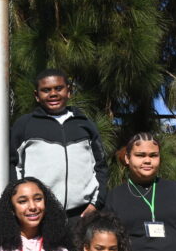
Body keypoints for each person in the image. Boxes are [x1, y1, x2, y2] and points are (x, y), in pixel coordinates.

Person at [9, 68, 108, 225]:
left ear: (69, 91)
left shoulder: (85, 124)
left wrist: (96, 203)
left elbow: (100, 166)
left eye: (58, 88)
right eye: (46, 90)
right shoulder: (25, 125)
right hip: (40, 216)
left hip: (81, 216)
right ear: (36, 95)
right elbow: (13, 167)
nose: (53, 94)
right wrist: (23, 204)